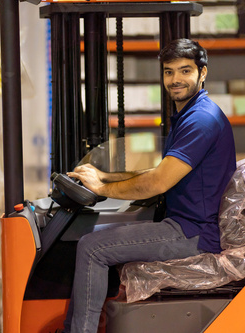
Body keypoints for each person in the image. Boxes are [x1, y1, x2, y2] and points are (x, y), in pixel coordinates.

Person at [62, 38, 236, 333]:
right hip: (185, 223)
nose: (175, 79)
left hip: (192, 233)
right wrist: (105, 177)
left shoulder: (201, 120)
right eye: (169, 72)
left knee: (92, 247)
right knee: (99, 237)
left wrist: (102, 190)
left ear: (202, 73)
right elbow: (162, 170)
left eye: (185, 71)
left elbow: (157, 182)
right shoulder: (189, 114)